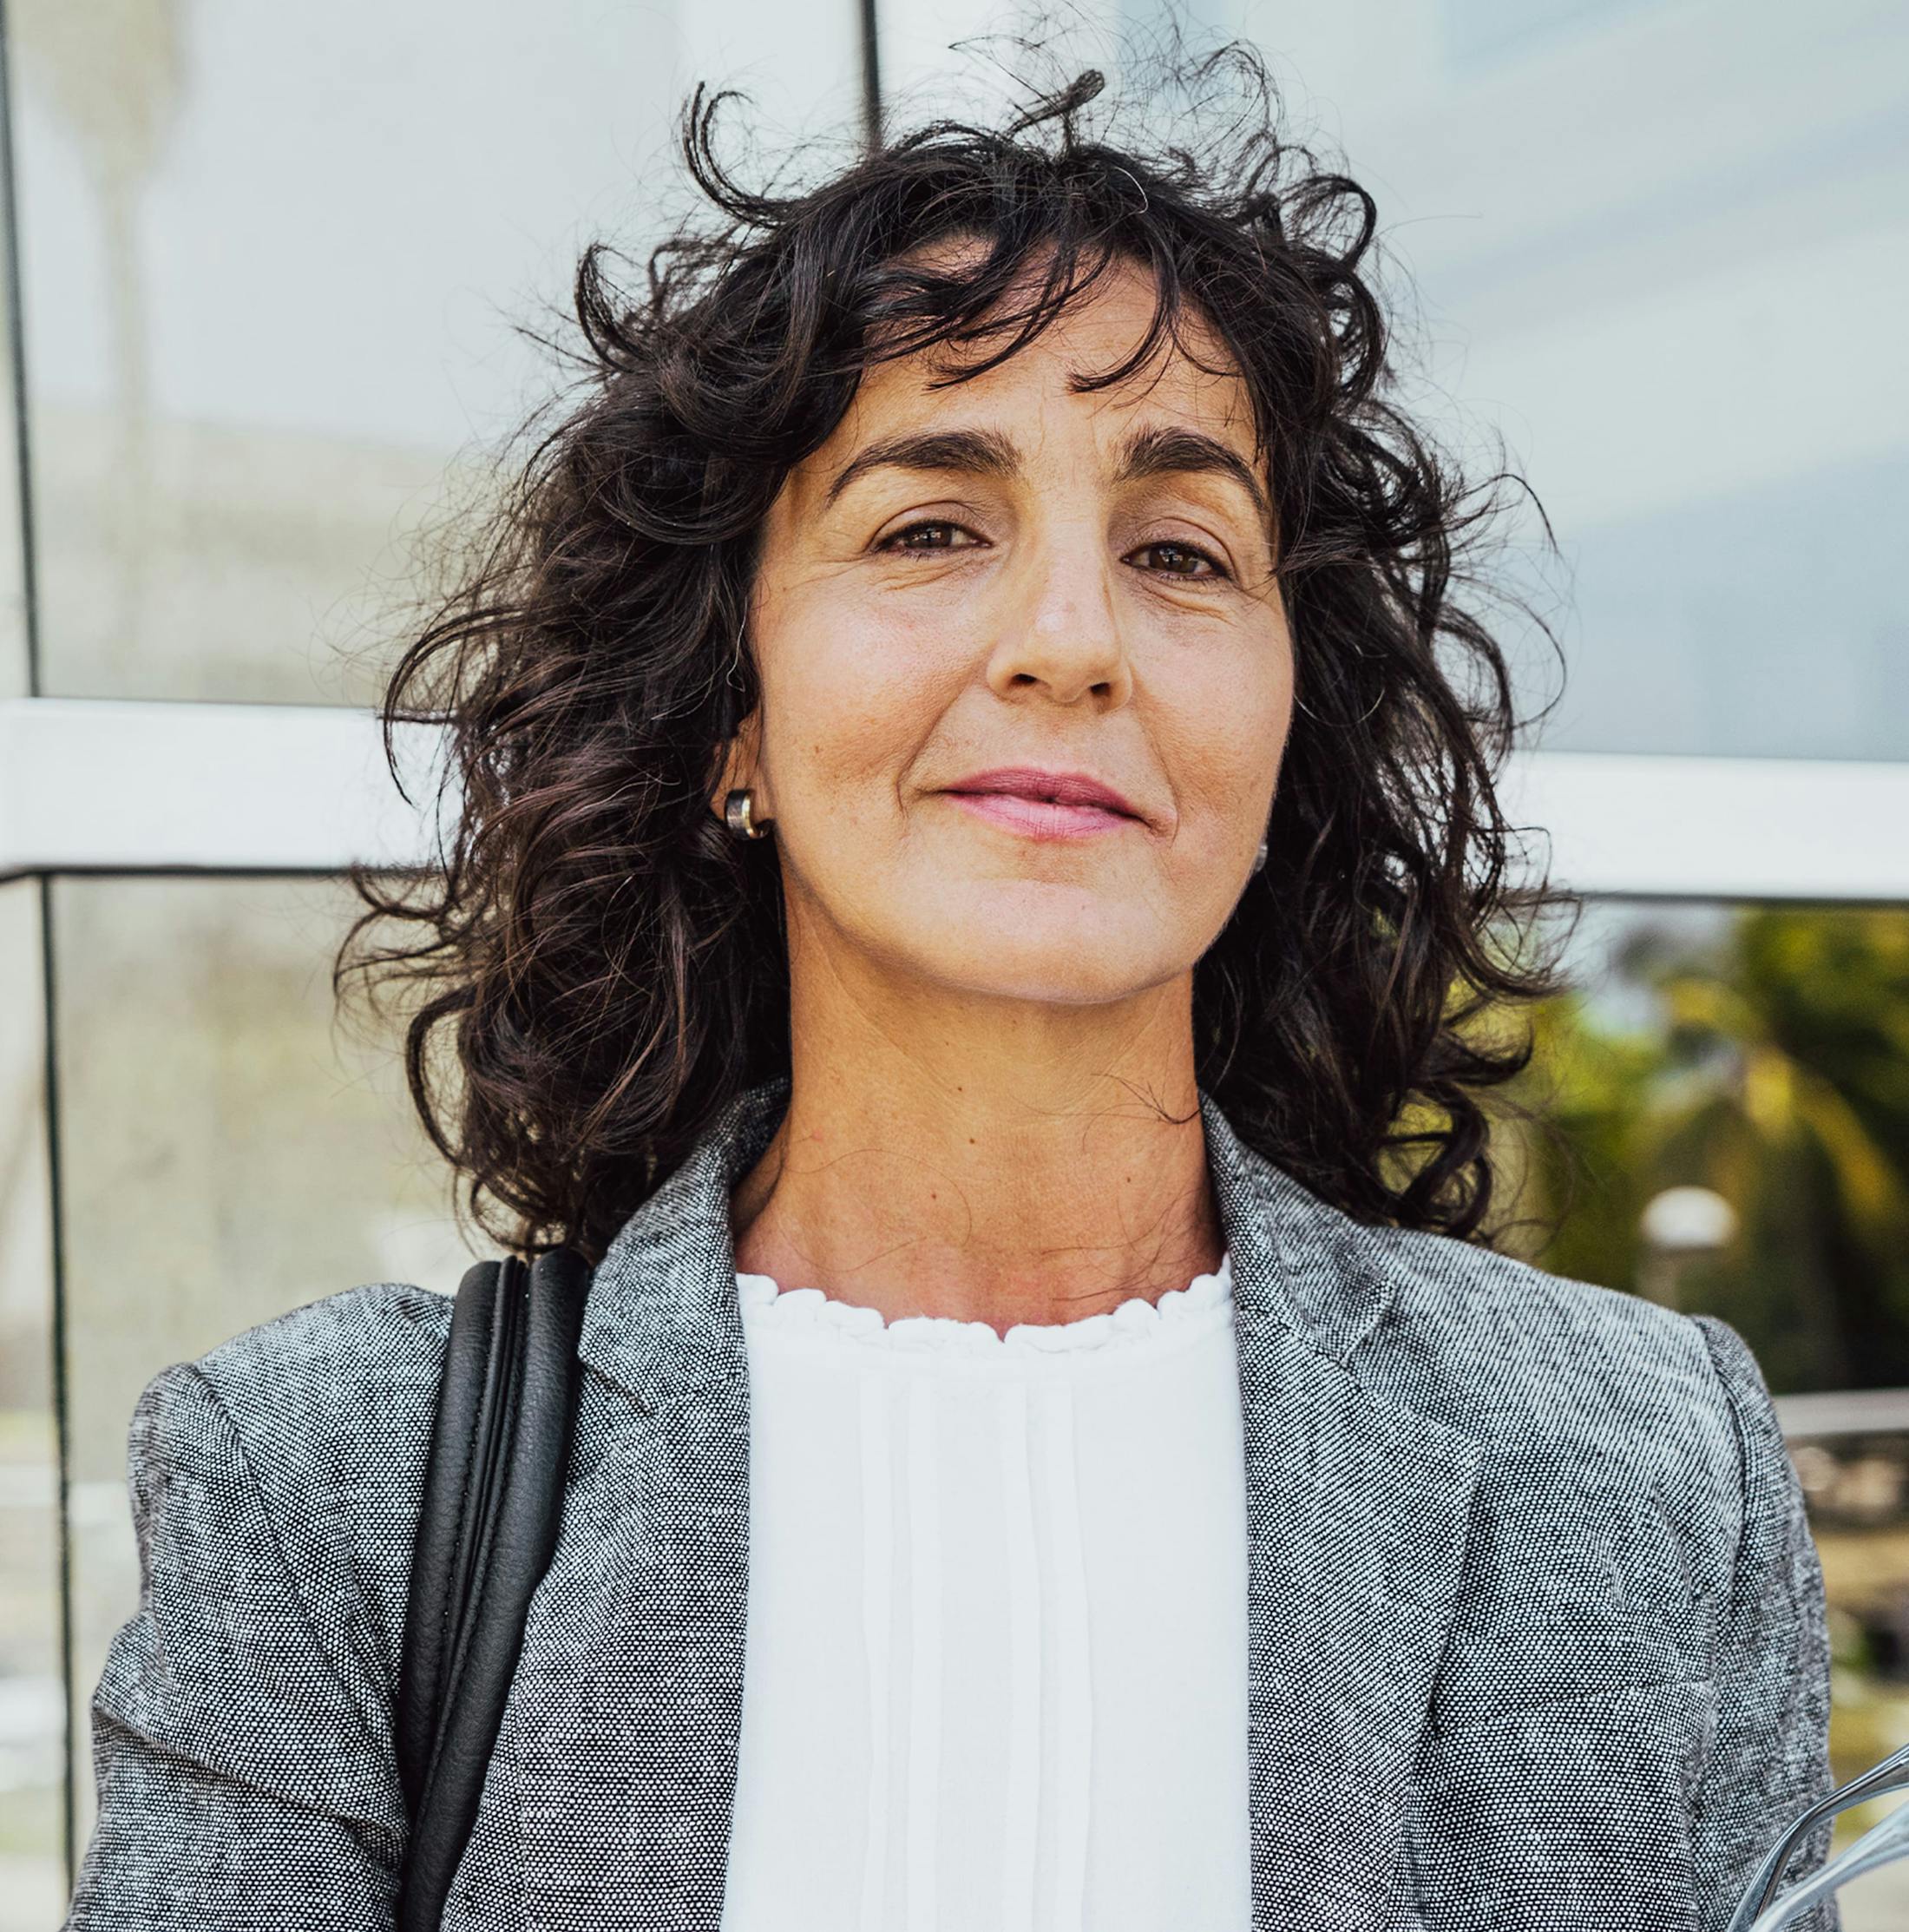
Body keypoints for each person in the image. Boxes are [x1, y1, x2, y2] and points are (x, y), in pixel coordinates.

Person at [62, 45, 1834, 1932]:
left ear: (1281, 721)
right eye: (927, 528)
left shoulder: (1638, 1466)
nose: (1070, 642)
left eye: (1177, 551)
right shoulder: (329, 1481)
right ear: (727, 709)